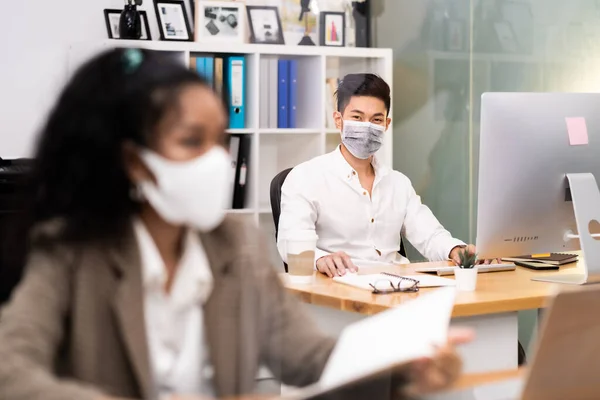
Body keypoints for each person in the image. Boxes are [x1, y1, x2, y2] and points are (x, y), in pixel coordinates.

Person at [0, 49, 472, 400]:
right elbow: (10, 371)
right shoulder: (70, 252)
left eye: (219, 141)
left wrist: (405, 366)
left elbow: (310, 358)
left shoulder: (235, 246)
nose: (215, 160)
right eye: (191, 141)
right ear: (135, 160)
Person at [277, 73, 487, 278]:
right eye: (357, 117)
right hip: (340, 287)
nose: (367, 126)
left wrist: (456, 250)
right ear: (338, 120)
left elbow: (430, 235)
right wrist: (320, 259)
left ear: (386, 125)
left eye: (376, 119)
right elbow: (291, 242)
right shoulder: (305, 177)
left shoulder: (398, 183)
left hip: (399, 288)